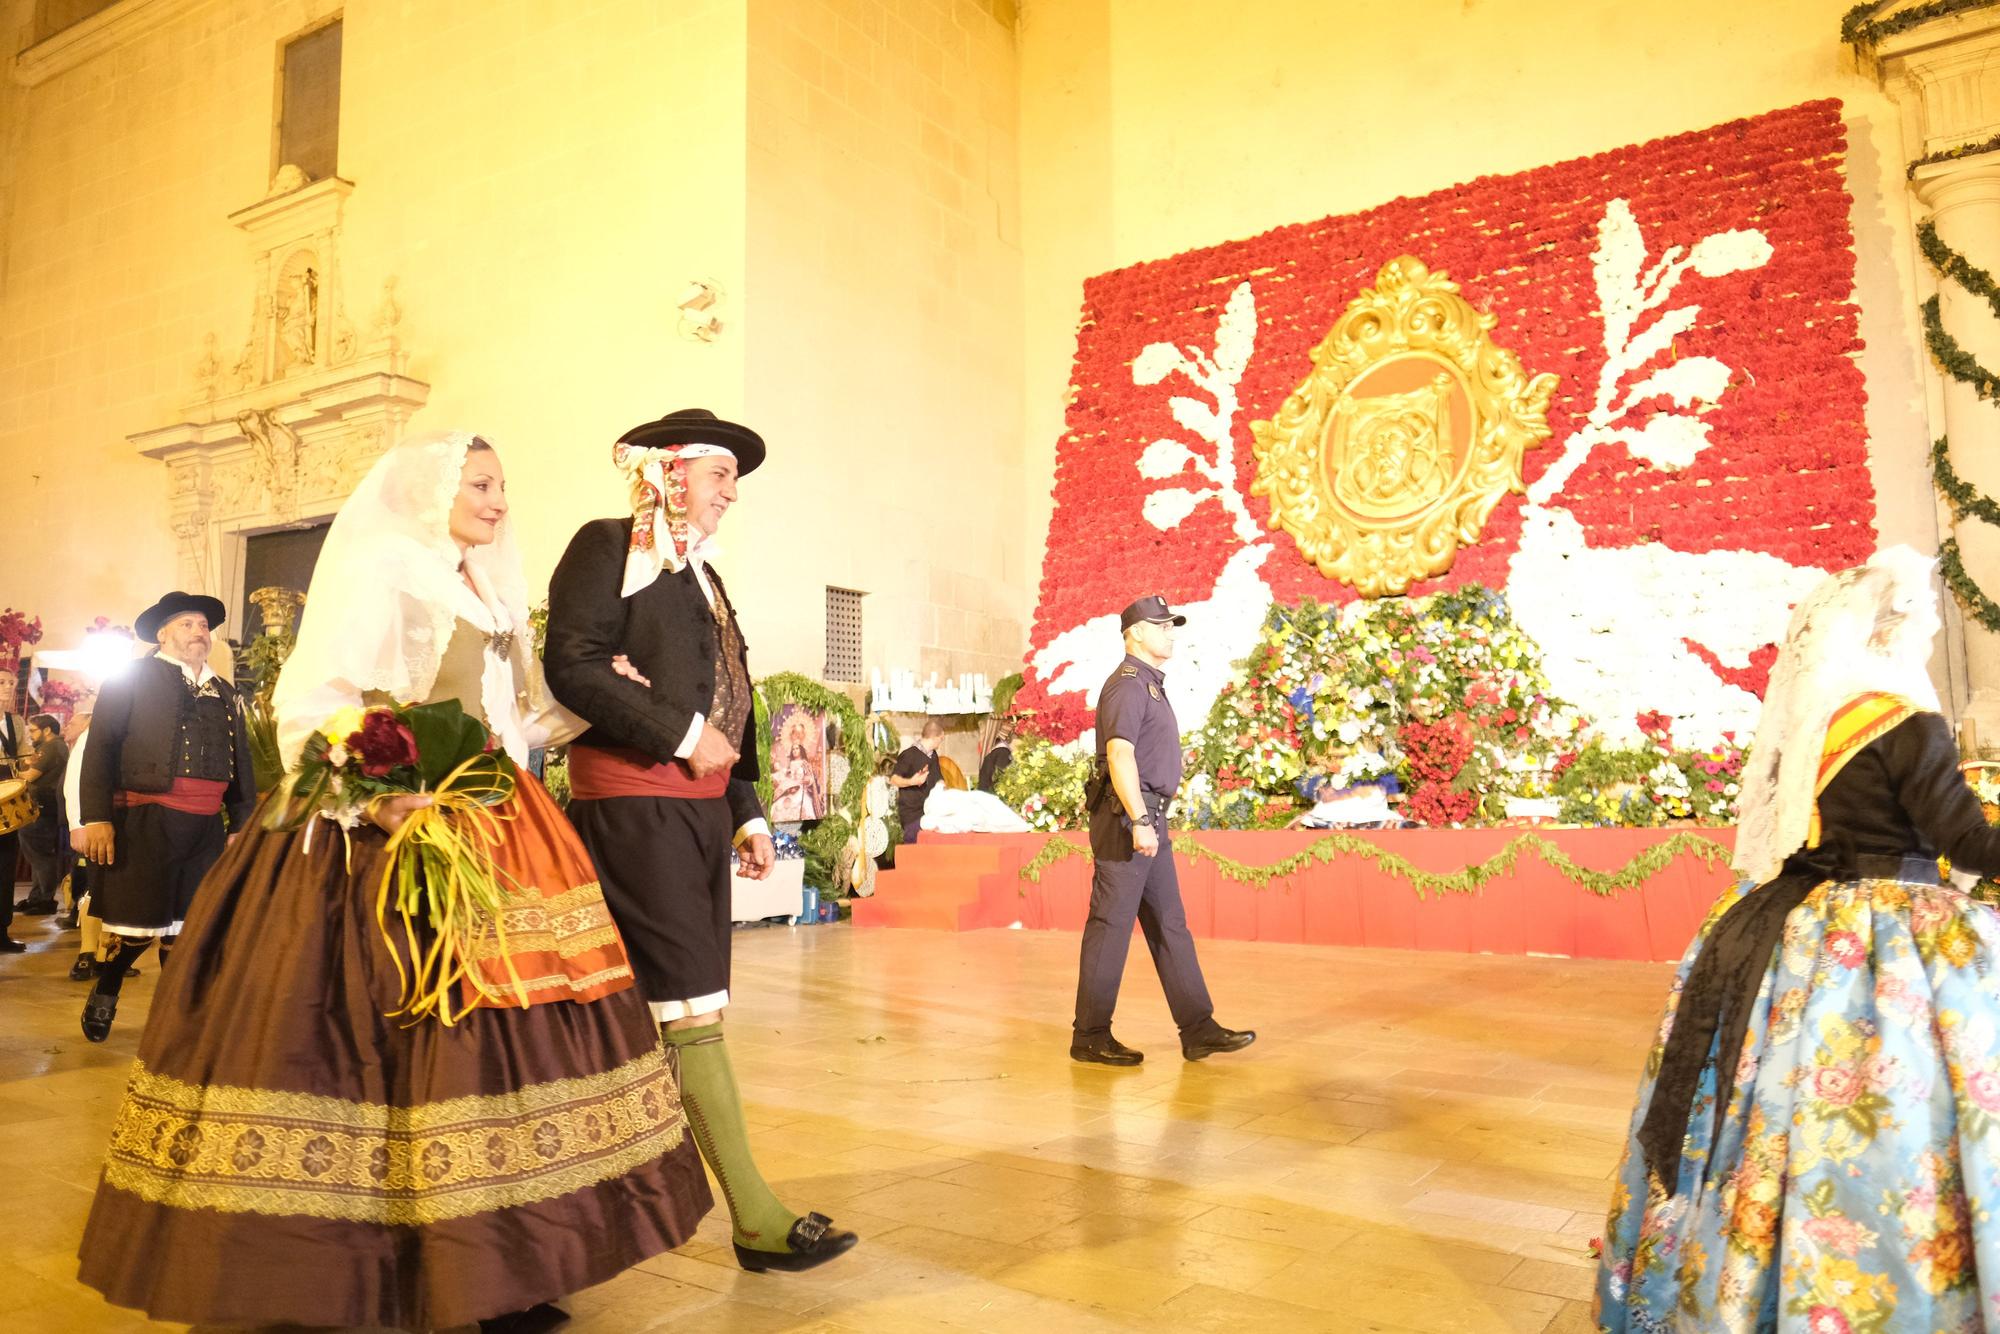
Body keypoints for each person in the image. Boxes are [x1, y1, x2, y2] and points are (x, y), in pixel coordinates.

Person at [76, 432, 712, 1332]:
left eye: (503, 487)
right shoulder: (386, 567)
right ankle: (376, 1272)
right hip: (386, 827)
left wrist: (597, 692)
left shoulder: (483, 586)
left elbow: (511, 718)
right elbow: (313, 700)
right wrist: (370, 799)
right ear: (431, 489)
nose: (499, 503)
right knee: (399, 1046)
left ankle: (505, 1267)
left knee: (513, 1044)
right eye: (482, 484)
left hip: (496, 822)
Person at [1596, 548, 2000, 1331]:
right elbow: (1966, 842)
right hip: (1893, 938)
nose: (1927, 636)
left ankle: (1743, 1273)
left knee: (1772, 1105)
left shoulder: (1821, 715)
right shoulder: (1907, 720)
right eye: (1922, 621)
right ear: (1897, 626)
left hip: (1800, 925)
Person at [545, 407, 857, 1274]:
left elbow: (729, 702)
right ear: (671, 475)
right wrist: (681, 737)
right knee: (688, 1011)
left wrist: (745, 810)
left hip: (693, 812)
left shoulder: (704, 579)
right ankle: (753, 1216)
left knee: (675, 1009)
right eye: (721, 476)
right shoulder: (605, 546)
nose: (730, 494)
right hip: (637, 810)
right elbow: (571, 662)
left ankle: (599, 1212)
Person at [1072, 595, 1254, 1067]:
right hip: (1127, 820)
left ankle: (1197, 1029)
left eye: (1172, 625)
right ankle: (1089, 1035)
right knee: (1110, 927)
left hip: (1148, 817)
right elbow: (1119, 755)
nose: (1171, 632)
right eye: (1162, 625)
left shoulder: (1149, 684)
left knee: (1170, 925)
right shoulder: (1128, 685)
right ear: (1134, 633)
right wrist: (1137, 819)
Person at [74, 592, 255, 1040]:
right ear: (162, 634)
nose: (199, 632)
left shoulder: (226, 691)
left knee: (187, 932)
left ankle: (177, 1021)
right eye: (187, 624)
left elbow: (242, 764)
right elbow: (99, 750)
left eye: (203, 626)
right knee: (138, 933)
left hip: (207, 827)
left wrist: (242, 824)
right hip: (149, 822)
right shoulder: (131, 678)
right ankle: (108, 985)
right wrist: (94, 817)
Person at [15, 712, 68, 914]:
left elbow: (30, 776)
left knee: (40, 854)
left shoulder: (52, 746)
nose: (30, 735)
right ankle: (36, 898)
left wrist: (10, 770)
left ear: (47, 730)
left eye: (33, 730)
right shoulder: (49, 747)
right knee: (36, 853)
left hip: (42, 807)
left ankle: (45, 900)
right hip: (43, 806)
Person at [0, 664, 26, 951]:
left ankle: (1, 931)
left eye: (11, 683)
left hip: (8, 798)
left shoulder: (15, 722)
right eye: (2, 682)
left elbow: (24, 754)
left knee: (6, 868)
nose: (8, 687)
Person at [891, 719, 944, 843]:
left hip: (929, 813)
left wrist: (942, 786)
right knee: (915, 853)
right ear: (934, 737)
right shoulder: (909, 755)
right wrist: (912, 781)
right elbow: (894, 779)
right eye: (941, 738)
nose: (941, 742)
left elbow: (937, 778)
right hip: (912, 815)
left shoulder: (933, 755)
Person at [977, 716, 1016, 792]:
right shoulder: (999, 751)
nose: (980, 740)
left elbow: (1001, 781)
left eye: (982, 735)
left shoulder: (1001, 751)